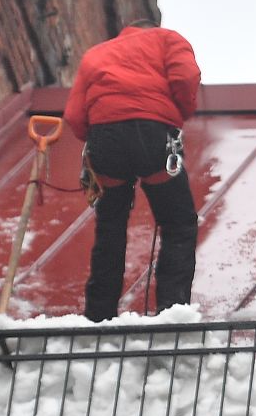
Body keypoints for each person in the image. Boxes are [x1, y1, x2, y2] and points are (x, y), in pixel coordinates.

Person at [63, 18, 202, 320]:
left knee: (110, 227)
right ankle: (172, 311)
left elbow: (74, 115)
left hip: (105, 140)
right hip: (153, 134)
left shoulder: (96, 54)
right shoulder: (167, 39)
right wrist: (179, 112)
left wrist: (98, 135)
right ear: (151, 28)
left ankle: (99, 315)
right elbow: (186, 77)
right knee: (178, 223)